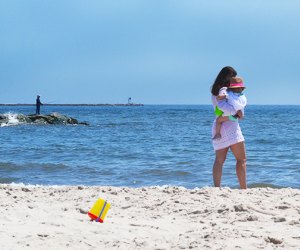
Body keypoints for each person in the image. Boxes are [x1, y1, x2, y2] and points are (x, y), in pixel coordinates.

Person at [211, 66, 247, 189]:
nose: (233, 79)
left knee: (219, 160)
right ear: (227, 77)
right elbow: (228, 109)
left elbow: (220, 111)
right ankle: (243, 189)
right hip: (230, 125)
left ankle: (217, 188)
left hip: (220, 124)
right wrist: (235, 115)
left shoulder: (216, 91)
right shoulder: (225, 92)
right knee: (241, 159)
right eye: (232, 77)